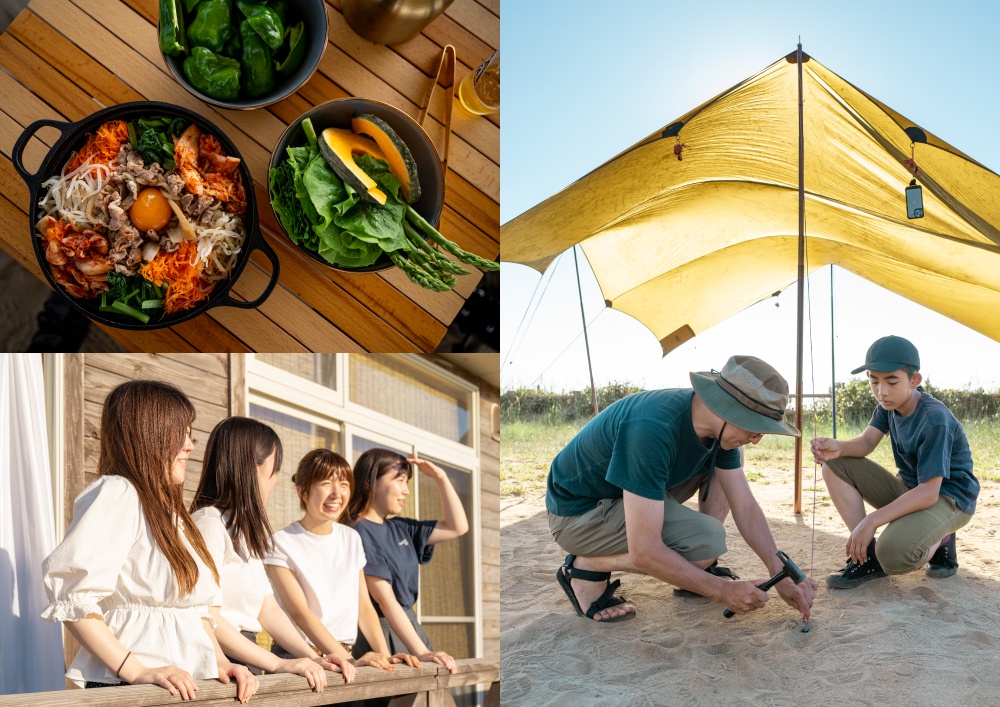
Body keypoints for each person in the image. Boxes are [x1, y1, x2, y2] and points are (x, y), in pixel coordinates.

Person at [548, 355, 818, 622]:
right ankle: (584, 568)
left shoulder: (712, 425)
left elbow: (745, 506)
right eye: (756, 429)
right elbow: (644, 550)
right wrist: (722, 591)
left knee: (730, 465)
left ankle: (697, 564)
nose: (756, 440)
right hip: (578, 516)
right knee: (706, 541)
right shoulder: (652, 427)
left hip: (623, 497)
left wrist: (778, 568)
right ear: (728, 409)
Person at [40, 380, 258, 702]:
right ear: (147, 434)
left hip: (192, 684)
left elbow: (194, 611)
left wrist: (223, 663)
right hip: (137, 689)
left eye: (190, 433)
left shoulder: (174, 516)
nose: (190, 446)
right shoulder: (119, 493)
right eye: (179, 433)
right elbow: (74, 594)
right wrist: (137, 671)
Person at [190, 417, 356, 692]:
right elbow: (207, 615)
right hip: (219, 665)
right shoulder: (208, 524)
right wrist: (277, 664)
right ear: (250, 467)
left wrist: (314, 657)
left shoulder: (244, 530)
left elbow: (267, 608)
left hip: (246, 660)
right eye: (274, 468)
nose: (276, 480)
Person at [811, 335, 979, 588]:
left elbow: (929, 493)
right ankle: (865, 557)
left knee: (894, 555)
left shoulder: (934, 419)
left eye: (891, 381)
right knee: (835, 464)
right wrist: (839, 447)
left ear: (914, 380)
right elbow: (867, 443)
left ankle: (942, 536)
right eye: (873, 381)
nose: (882, 391)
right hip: (913, 490)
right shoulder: (887, 406)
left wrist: (871, 521)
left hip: (948, 498)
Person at [264, 449, 421, 673]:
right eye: (326, 483)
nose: (337, 494)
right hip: (300, 659)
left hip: (345, 656)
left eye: (344, 485)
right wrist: (347, 660)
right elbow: (300, 613)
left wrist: (385, 656)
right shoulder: (281, 542)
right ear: (303, 492)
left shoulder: (351, 537)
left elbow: (364, 606)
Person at [345, 449, 469, 674]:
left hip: (410, 628)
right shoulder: (358, 531)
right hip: (383, 633)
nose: (406, 490)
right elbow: (385, 600)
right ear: (371, 481)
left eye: (407, 482)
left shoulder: (400, 527)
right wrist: (421, 652)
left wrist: (440, 477)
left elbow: (457, 526)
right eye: (399, 480)